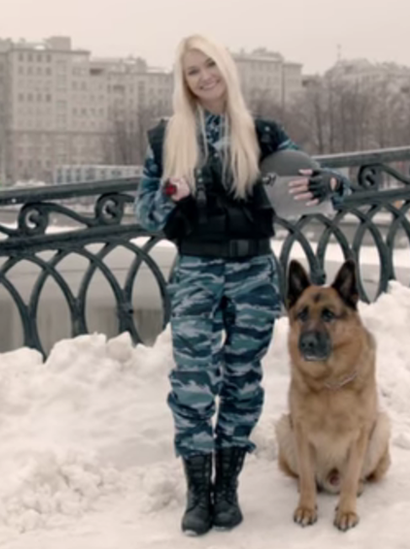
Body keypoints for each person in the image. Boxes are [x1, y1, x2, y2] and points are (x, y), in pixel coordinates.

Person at [134, 34, 351, 536]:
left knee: (242, 379)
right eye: (192, 71)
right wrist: (173, 192)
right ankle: (197, 493)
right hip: (195, 273)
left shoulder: (263, 133)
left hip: (253, 271)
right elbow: (145, 213)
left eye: (210, 65)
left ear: (226, 69)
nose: (204, 76)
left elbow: (322, 184)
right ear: (182, 81)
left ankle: (226, 489)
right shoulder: (168, 139)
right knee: (192, 381)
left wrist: (330, 182)